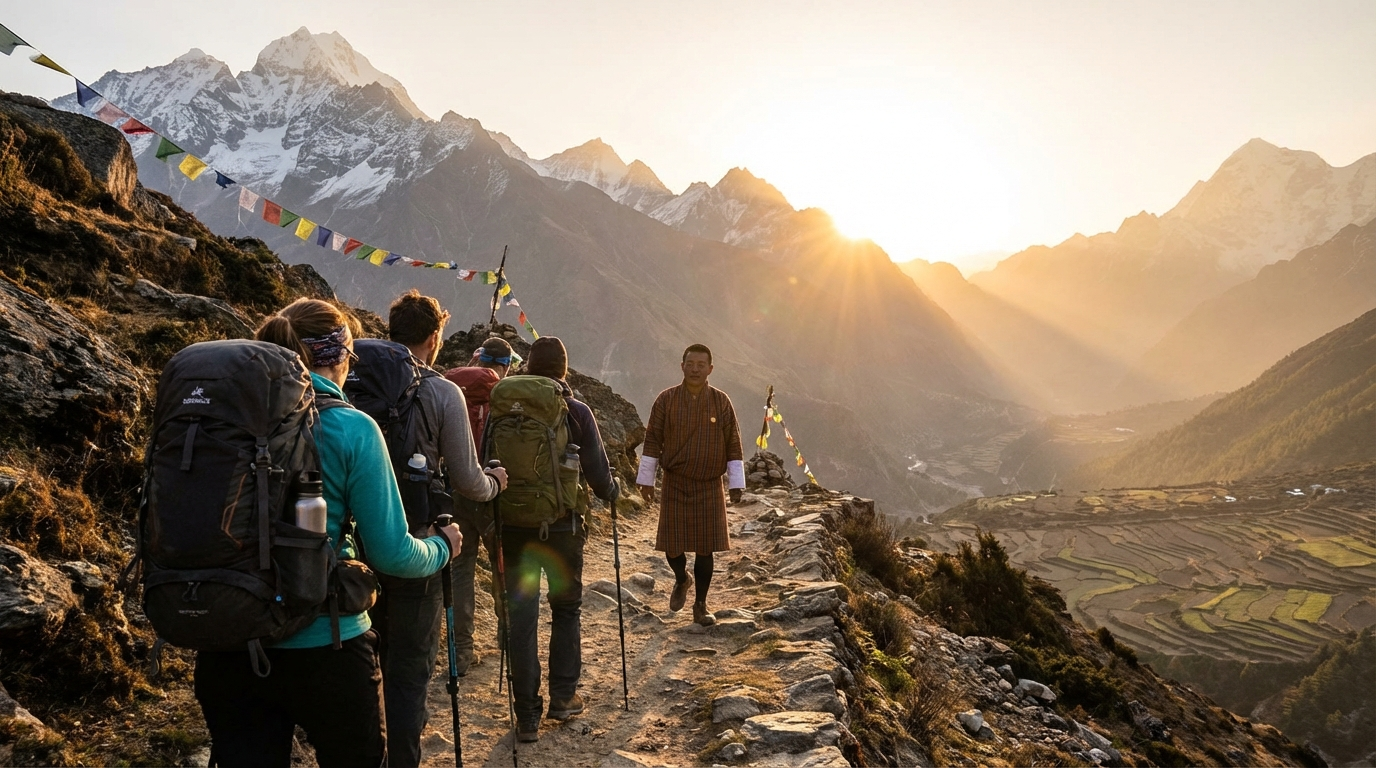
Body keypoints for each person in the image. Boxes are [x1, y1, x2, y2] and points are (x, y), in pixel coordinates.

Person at [194, 298, 464, 768]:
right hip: (327, 645)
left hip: (229, 642)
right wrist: (442, 547)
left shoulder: (222, 421)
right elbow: (393, 553)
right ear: (340, 356)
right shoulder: (350, 427)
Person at [368, 291, 509, 768]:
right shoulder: (440, 390)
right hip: (417, 542)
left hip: (347, 544)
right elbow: (468, 480)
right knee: (409, 665)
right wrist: (494, 483)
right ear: (434, 337)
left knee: (359, 659)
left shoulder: (351, 378)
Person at [502, 336, 617, 743]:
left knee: (522, 618)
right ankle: (563, 698)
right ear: (563, 370)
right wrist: (613, 492)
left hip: (514, 528)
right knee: (566, 611)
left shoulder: (504, 405)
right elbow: (600, 477)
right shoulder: (577, 411)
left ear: (529, 365)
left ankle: (527, 715)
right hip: (563, 528)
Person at [636, 344, 744, 626]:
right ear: (682, 366)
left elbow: (733, 441)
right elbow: (653, 440)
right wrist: (646, 480)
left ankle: (700, 605)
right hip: (675, 481)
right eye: (690, 363)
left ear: (710, 369)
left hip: (709, 484)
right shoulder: (666, 400)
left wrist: (736, 484)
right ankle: (682, 578)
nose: (695, 369)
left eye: (701, 364)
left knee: (705, 548)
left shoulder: (721, 402)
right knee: (673, 547)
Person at [440, 335, 516, 677]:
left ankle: (462, 650)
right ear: (505, 365)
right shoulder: (505, 395)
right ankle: (509, 636)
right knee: (503, 565)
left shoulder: (449, 388)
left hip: (455, 490)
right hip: (493, 491)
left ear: (477, 358)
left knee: (461, 571)